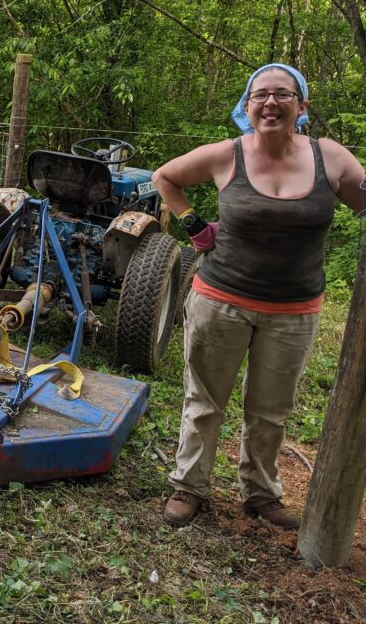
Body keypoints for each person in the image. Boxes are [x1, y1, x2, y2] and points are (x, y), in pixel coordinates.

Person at [152, 63, 366, 529]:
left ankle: (261, 494)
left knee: (270, 411)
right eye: (261, 95)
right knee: (204, 400)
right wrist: (195, 228)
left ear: (301, 106)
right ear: (247, 107)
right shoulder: (228, 154)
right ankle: (189, 487)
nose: (271, 102)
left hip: (294, 311)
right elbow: (165, 177)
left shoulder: (330, 156)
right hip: (220, 300)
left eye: (283, 95)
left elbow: (361, 196)